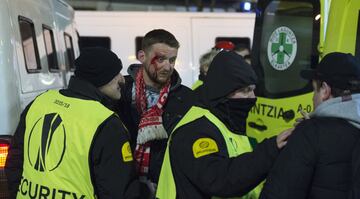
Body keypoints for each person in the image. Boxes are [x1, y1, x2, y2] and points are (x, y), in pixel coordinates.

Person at [5, 47, 140, 198]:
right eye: (116, 73)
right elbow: (118, 192)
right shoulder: (106, 123)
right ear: (101, 77)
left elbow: (14, 164)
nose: (122, 79)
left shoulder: (39, 103)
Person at [156, 50, 292, 199]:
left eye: (253, 90)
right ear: (224, 91)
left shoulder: (227, 121)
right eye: (245, 91)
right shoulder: (195, 129)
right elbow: (219, 179)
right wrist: (270, 150)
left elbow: (241, 168)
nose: (252, 98)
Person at [259, 52, 360, 199]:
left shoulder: (309, 133)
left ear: (325, 90)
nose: (313, 98)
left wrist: (308, 132)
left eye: (314, 90)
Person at [115, 29, 193, 197]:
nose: (168, 66)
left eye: (172, 60)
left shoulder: (186, 98)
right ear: (142, 56)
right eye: (161, 59)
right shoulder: (120, 90)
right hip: (124, 186)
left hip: (165, 187)